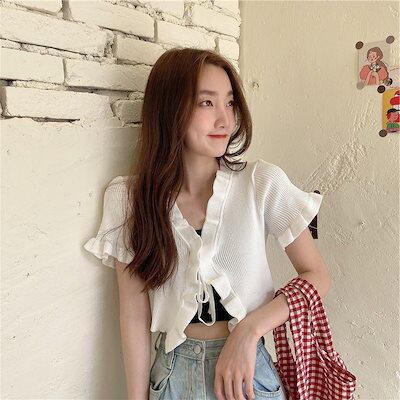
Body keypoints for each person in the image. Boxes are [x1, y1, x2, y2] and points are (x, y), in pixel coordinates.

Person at [83, 47, 331, 400]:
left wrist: (249, 330)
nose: (225, 120)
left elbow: (317, 275)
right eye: (206, 103)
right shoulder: (130, 199)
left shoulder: (260, 183)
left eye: (230, 103)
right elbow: (134, 316)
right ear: (170, 110)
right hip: (171, 377)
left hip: (247, 376)